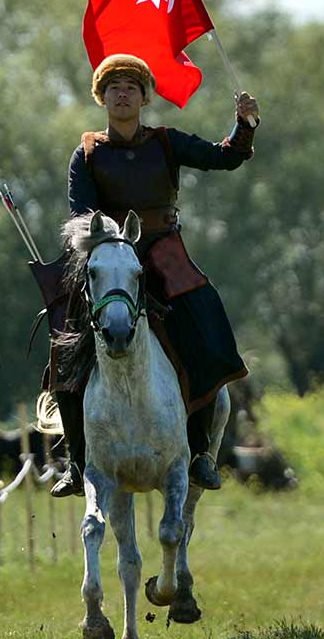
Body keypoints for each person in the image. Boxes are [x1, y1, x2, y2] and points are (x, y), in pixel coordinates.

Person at [48, 52, 260, 498]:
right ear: (102, 98)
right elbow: (80, 214)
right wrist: (109, 248)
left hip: (163, 249)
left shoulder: (166, 142)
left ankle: (200, 451)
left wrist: (244, 127)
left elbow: (224, 158)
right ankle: (77, 459)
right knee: (64, 342)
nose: (121, 94)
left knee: (206, 320)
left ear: (144, 97)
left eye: (130, 87)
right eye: (113, 87)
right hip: (109, 253)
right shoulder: (85, 152)